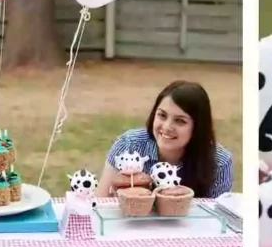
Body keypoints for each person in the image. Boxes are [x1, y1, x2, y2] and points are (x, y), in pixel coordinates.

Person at [98, 80, 234, 198]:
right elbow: (100, 201)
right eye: (162, 115)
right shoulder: (129, 144)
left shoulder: (220, 162)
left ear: (198, 127)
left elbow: (218, 219)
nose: (167, 127)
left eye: (180, 121)